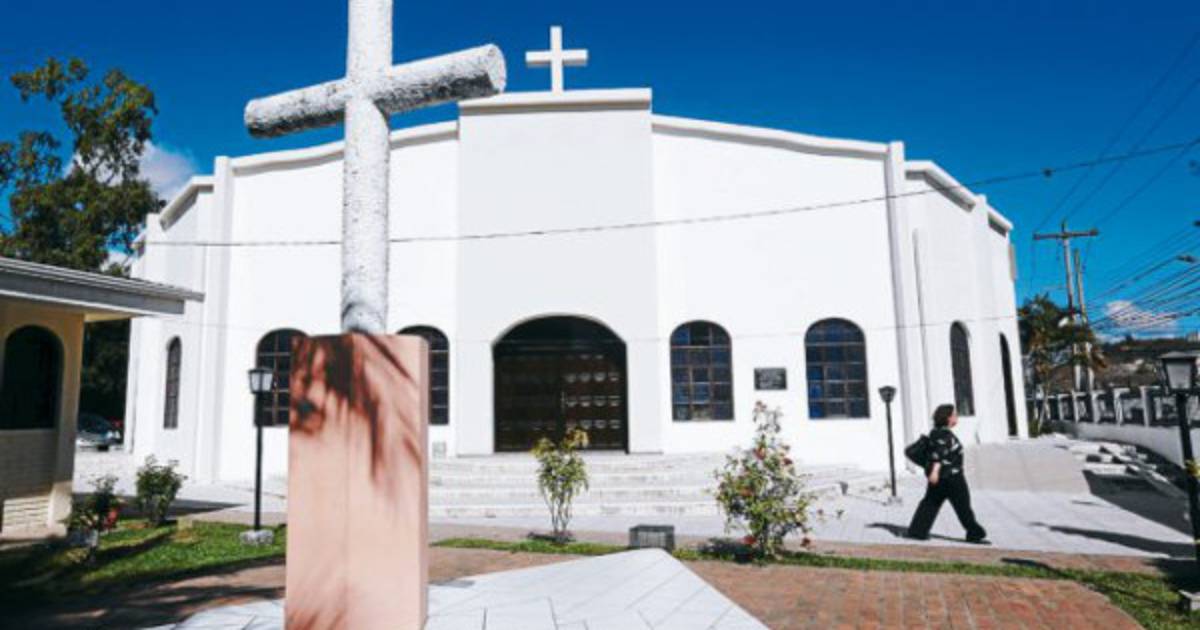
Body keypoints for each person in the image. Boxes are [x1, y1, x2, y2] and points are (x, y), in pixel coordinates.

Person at [907, 404, 988, 544]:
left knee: (930, 503)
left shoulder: (936, 432)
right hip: (952, 478)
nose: (956, 417)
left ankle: (917, 531)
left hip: (941, 478)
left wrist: (935, 473)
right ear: (948, 418)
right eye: (954, 414)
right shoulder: (944, 435)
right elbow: (939, 454)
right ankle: (974, 533)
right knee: (962, 506)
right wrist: (935, 472)